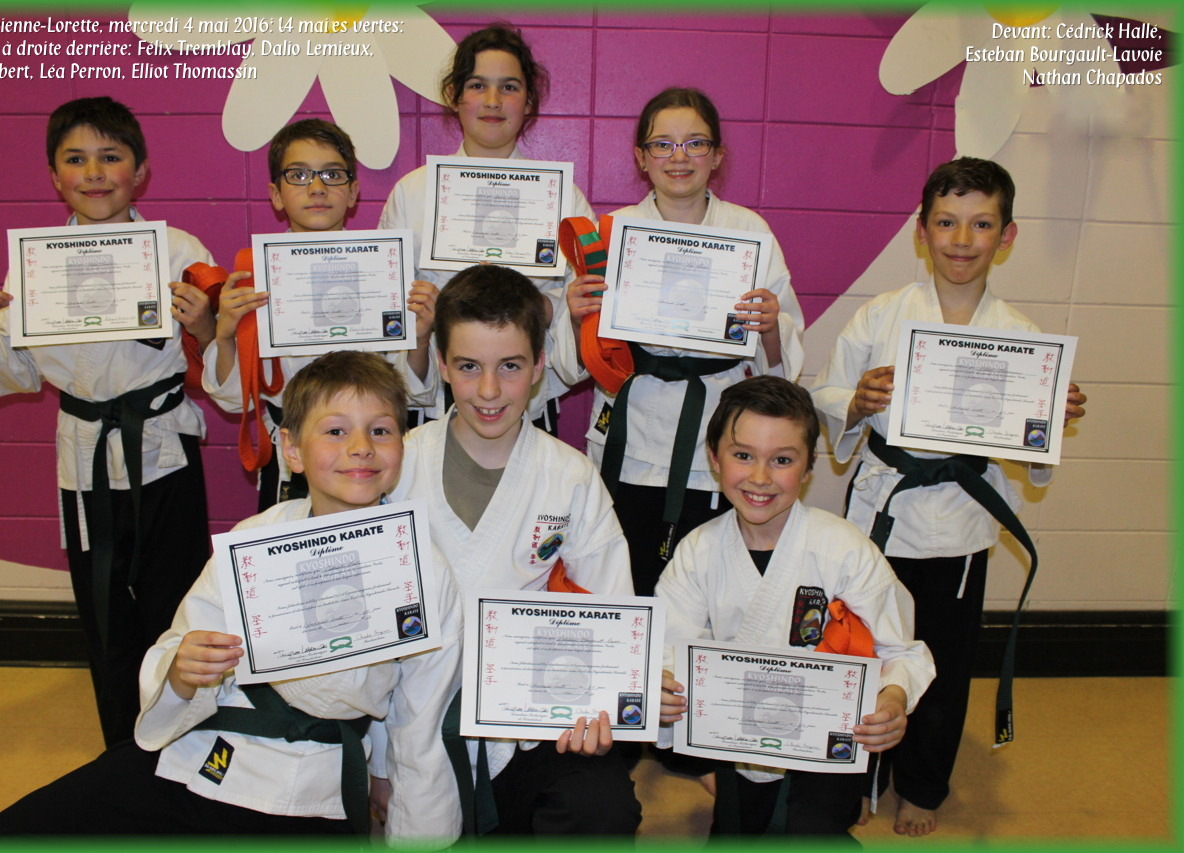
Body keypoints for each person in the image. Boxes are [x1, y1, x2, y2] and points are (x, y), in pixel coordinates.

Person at [0, 351, 463, 845]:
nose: (360, 448)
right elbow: (182, 643)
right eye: (335, 431)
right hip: (208, 751)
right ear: (291, 450)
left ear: (402, 445)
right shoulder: (255, 539)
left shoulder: (424, 568)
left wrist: (415, 832)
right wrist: (183, 673)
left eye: (380, 430)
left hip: (311, 788)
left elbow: (421, 722)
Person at [807, 157, 1088, 837]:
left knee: (943, 662)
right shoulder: (880, 315)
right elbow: (826, 392)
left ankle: (922, 783)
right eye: (947, 222)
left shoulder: (1022, 337)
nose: (962, 240)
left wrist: (1049, 421)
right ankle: (851, 774)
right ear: (922, 231)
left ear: (1007, 236)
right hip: (881, 512)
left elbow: (1030, 455)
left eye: (981, 224)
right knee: (858, 647)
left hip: (961, 524)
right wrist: (857, 401)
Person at [0, 96, 216, 748]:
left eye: (110, 156)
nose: (94, 172)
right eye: (75, 159)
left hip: (164, 448)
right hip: (84, 456)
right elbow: (17, 372)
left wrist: (207, 324)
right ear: (54, 175)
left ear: (140, 170)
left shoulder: (177, 250)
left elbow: (216, 362)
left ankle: (186, 745)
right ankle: (121, 750)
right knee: (104, 612)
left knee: (179, 604)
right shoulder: (35, 262)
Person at [388, 264, 641, 835]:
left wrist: (598, 709)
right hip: (419, 716)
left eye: (510, 366)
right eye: (468, 367)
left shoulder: (569, 476)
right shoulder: (398, 465)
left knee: (602, 808)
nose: (488, 391)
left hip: (537, 720)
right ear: (442, 365)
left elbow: (612, 607)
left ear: (539, 364)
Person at [657, 376, 935, 838]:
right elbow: (669, 645)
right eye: (743, 455)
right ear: (714, 458)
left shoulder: (844, 549)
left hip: (825, 747)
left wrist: (894, 697)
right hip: (732, 744)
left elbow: (902, 651)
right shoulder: (697, 551)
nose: (760, 478)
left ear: (808, 469)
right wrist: (665, 685)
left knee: (810, 830)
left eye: (782, 460)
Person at [556, 87, 805, 596]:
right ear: (641, 157)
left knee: (707, 588)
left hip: (715, 438)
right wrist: (577, 314)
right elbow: (571, 366)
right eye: (662, 145)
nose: (679, 157)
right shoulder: (614, 232)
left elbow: (783, 371)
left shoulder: (749, 231)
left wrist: (770, 326)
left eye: (695, 143)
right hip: (632, 435)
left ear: (717, 155)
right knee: (627, 585)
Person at [201, 119, 438, 510]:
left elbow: (412, 391)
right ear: (276, 195)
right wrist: (226, 335)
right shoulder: (255, 278)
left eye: (332, 174)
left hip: (368, 458)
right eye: (298, 175)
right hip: (292, 460)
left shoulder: (385, 271)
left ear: (353, 192)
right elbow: (235, 402)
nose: (316, 188)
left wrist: (422, 336)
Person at [379, 22, 595, 433]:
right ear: (454, 95)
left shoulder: (563, 199)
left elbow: (578, 326)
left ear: (528, 101)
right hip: (436, 406)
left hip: (525, 405)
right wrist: (425, 320)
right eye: (477, 86)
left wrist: (547, 308)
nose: (493, 101)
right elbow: (390, 319)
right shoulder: (413, 192)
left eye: (509, 87)